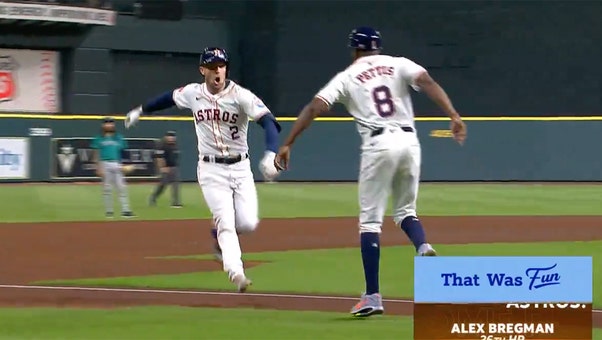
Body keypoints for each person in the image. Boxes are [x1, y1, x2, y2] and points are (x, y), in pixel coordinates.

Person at [274, 27, 467, 317]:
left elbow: (315, 107)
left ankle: (373, 296)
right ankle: (423, 244)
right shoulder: (398, 62)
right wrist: (453, 114)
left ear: (354, 50)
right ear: (377, 48)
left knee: (370, 222)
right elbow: (426, 80)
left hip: (379, 144)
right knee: (405, 212)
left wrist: (288, 143)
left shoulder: (347, 76)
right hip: (409, 142)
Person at [124, 47, 282, 293]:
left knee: (249, 223)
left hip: (241, 167)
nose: (217, 70)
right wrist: (140, 110)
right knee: (226, 223)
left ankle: (217, 236)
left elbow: (269, 122)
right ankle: (236, 273)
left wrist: (271, 154)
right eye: (212, 66)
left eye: (221, 65)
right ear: (203, 70)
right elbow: (167, 98)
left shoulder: (240, 95)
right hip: (210, 170)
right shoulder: (192, 93)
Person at [91, 116, 136, 219]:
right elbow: (96, 153)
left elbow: (124, 152)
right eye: (107, 123)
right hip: (104, 163)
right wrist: (97, 166)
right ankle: (109, 211)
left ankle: (126, 210)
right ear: (103, 125)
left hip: (116, 163)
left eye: (111, 123)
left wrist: (126, 164)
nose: (109, 125)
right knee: (107, 188)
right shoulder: (98, 138)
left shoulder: (119, 137)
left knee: (122, 187)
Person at [149, 130, 182, 208]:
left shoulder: (175, 145)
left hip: (174, 167)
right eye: (170, 136)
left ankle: (175, 202)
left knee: (175, 184)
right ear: (166, 137)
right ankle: (153, 197)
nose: (171, 138)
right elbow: (159, 158)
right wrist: (162, 168)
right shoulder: (162, 145)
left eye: (173, 137)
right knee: (163, 185)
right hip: (165, 168)